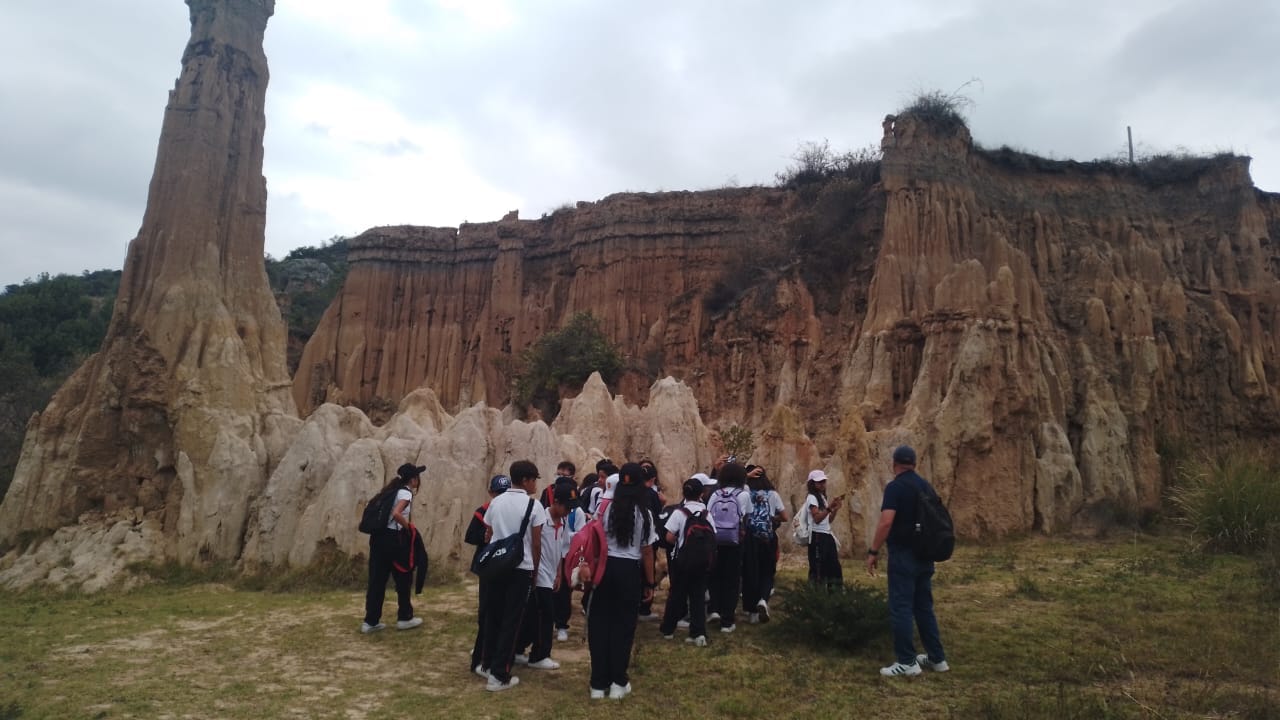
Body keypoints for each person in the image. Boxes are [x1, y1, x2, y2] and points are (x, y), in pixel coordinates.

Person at [867, 445, 949, 678]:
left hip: (903, 556)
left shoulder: (896, 487)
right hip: (926, 555)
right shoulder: (925, 486)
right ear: (914, 463)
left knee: (901, 607)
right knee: (924, 608)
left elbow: (886, 522)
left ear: (894, 464)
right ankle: (937, 658)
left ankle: (906, 661)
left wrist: (873, 551)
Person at [588, 463, 657, 700]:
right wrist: (650, 583)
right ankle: (618, 682)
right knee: (623, 627)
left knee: (599, 625)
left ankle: (598, 684)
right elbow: (647, 552)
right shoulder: (645, 514)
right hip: (629, 572)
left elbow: (596, 540)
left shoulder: (606, 510)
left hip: (605, 570)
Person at [481, 460, 547, 692]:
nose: (536, 484)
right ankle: (499, 676)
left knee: (495, 617)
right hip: (521, 569)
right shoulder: (534, 506)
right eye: (534, 479)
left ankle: (487, 665)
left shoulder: (495, 502)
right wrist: (536, 569)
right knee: (512, 621)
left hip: (497, 568)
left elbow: (487, 532)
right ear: (527, 480)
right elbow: (537, 543)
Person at [516, 484, 575, 670]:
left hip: (551, 574)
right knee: (546, 614)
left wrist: (558, 573)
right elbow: (534, 545)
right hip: (538, 573)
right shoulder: (541, 520)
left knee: (532, 616)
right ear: (556, 502)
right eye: (567, 507)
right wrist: (534, 572)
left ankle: (517, 649)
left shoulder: (563, 523)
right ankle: (539, 655)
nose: (569, 511)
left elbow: (561, 549)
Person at [362, 463, 425, 633]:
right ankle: (405, 617)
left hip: (378, 539)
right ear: (413, 479)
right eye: (417, 477)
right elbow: (397, 514)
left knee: (377, 580)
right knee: (403, 576)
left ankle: (371, 622)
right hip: (393, 539)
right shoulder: (405, 493)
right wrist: (408, 527)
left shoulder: (389, 491)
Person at [658, 476, 716, 646]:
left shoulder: (679, 512)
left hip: (682, 561)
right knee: (698, 597)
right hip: (702, 562)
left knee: (677, 595)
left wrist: (680, 541)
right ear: (702, 494)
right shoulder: (707, 513)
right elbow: (714, 535)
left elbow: (668, 537)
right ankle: (698, 634)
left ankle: (668, 630)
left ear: (684, 493)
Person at [467, 474, 510, 676]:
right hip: (488, 563)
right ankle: (482, 651)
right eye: (497, 492)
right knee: (486, 609)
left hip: (505, 563)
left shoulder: (511, 510)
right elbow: (470, 536)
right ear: (491, 492)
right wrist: (485, 537)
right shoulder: (483, 511)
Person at [706, 462, 753, 633]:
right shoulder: (743, 495)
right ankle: (727, 621)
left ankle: (714, 610)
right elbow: (746, 518)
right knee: (732, 580)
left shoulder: (715, 493)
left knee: (715, 576)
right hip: (735, 543)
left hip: (715, 542)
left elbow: (708, 514)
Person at [742, 465, 788, 623]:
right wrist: (771, 518)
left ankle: (752, 613)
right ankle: (763, 599)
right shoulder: (773, 494)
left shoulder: (746, 491)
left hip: (749, 538)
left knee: (750, 573)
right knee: (767, 572)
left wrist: (746, 476)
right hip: (768, 538)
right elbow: (784, 516)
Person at [803, 469, 843, 587]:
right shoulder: (812, 498)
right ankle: (817, 597)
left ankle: (833, 595)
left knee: (833, 568)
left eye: (823, 481)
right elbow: (817, 519)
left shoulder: (822, 498)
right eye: (819, 482)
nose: (822, 484)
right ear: (812, 484)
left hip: (826, 535)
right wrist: (830, 508)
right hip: (818, 537)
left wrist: (834, 510)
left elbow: (828, 520)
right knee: (819, 570)